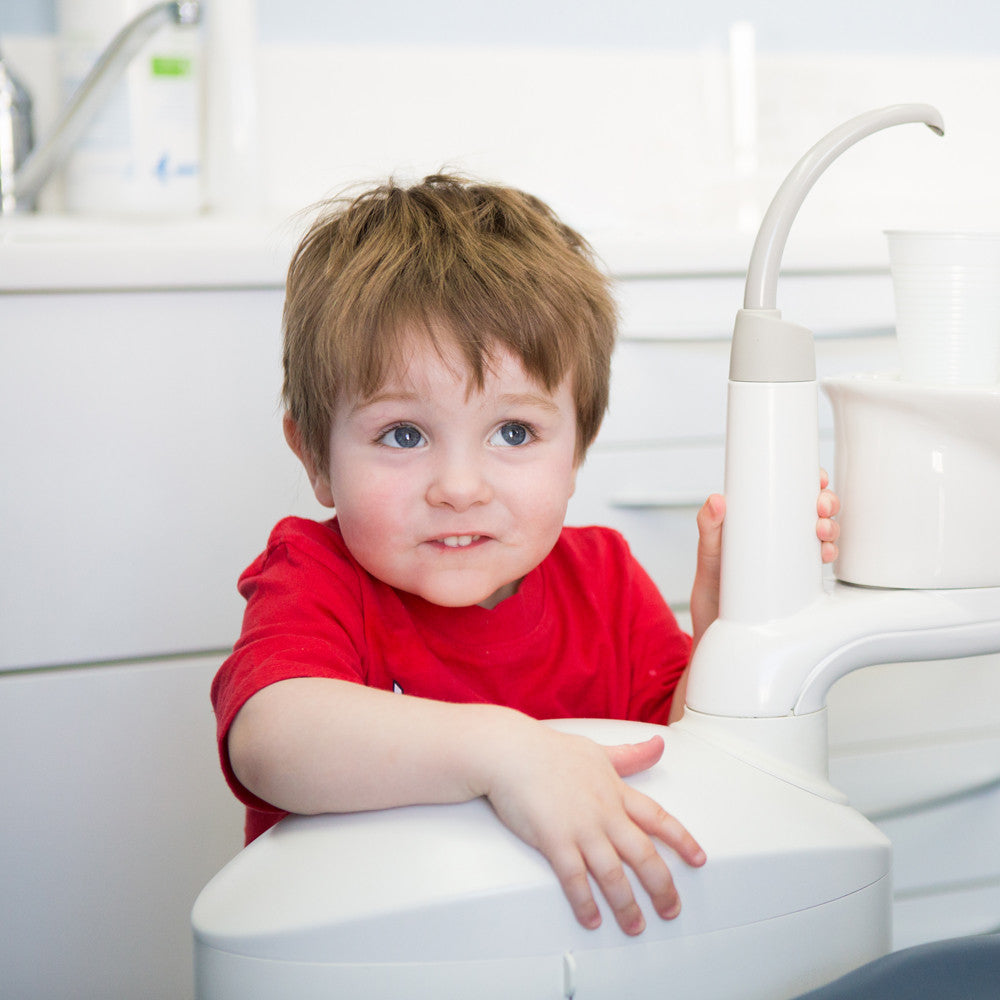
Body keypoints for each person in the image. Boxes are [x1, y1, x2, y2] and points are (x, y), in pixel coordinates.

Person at [212, 173, 840, 938]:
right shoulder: (315, 577)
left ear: (577, 454)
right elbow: (269, 741)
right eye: (403, 435)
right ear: (314, 457)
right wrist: (506, 751)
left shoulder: (603, 580)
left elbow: (688, 759)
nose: (459, 486)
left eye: (514, 433)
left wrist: (726, 627)